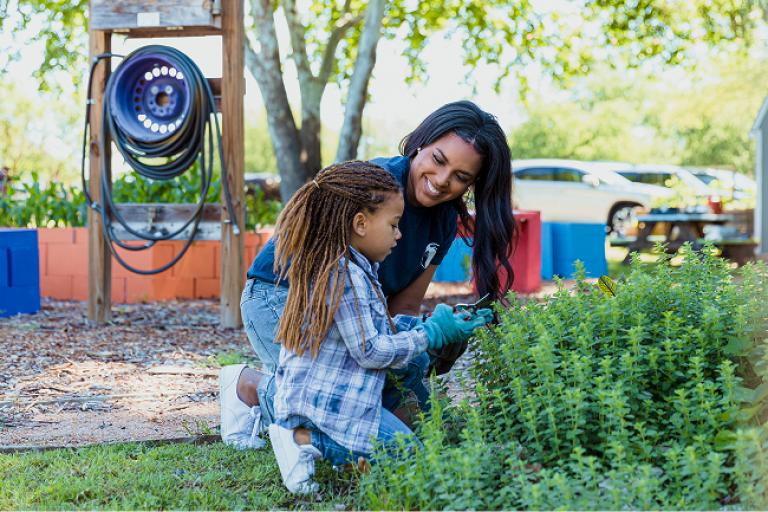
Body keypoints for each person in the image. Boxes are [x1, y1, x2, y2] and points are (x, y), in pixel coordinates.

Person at [219, 100, 516, 450]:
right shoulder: (371, 187)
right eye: (438, 160)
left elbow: (404, 305)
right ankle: (248, 386)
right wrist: (370, 370)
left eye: (460, 177)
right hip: (285, 298)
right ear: (422, 141)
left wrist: (434, 334)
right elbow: (337, 293)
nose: (441, 181)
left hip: (352, 316)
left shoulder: (444, 220)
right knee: (342, 401)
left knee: (406, 413)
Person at [264, 161, 492, 493]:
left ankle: (341, 438)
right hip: (327, 403)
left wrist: (432, 325)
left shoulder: (356, 267)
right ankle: (302, 439)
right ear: (360, 223)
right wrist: (429, 335)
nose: (399, 235)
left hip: (341, 393)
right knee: (405, 455)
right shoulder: (343, 276)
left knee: (411, 440)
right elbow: (371, 351)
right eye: (393, 224)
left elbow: (376, 331)